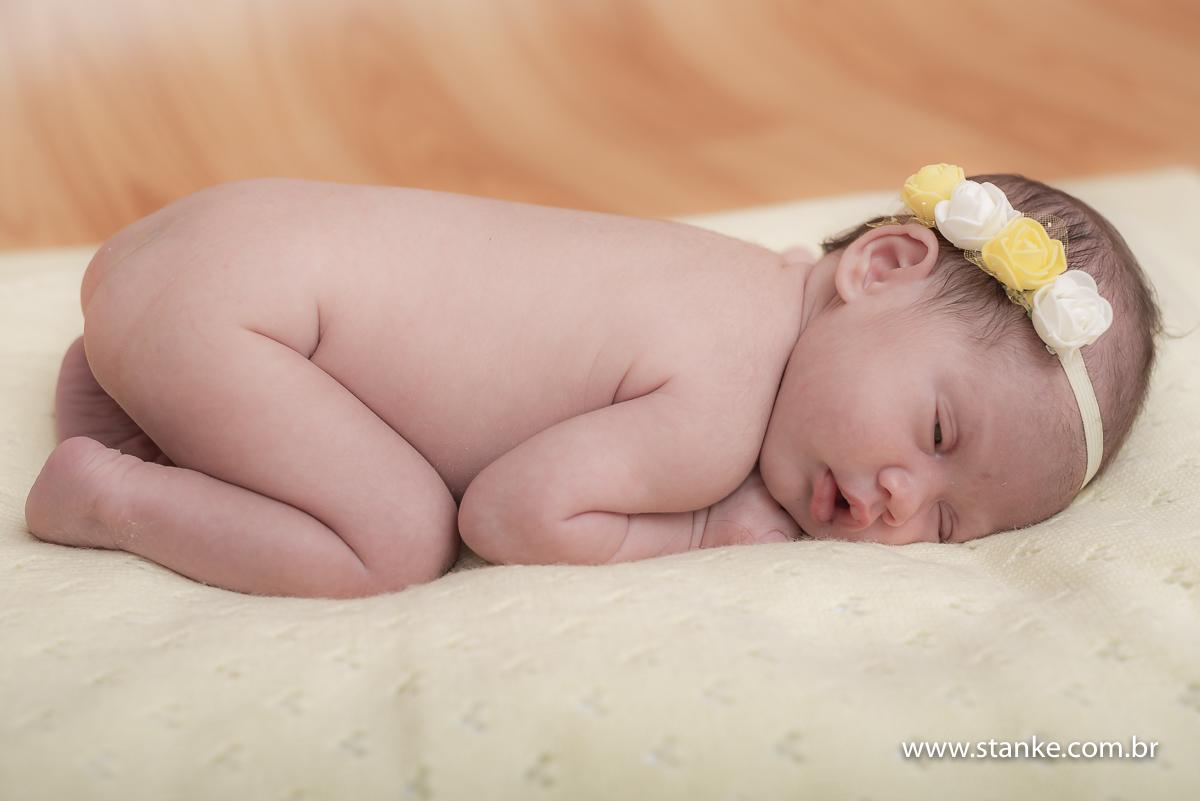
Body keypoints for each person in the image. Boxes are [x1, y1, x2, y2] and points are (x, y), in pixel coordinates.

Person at [24, 166, 1161, 598]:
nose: (905, 498)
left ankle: (129, 388)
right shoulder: (718, 407)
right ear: (881, 266)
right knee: (395, 536)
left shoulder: (731, 276)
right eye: (936, 429)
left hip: (201, 240)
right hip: (238, 316)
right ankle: (110, 494)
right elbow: (511, 514)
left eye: (953, 524)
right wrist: (708, 525)